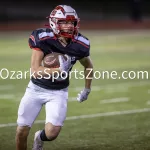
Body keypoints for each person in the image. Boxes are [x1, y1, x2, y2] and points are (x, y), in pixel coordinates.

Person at [15, 5, 93, 150]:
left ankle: (39, 137)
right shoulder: (43, 38)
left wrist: (87, 89)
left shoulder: (80, 44)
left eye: (72, 22)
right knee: (21, 131)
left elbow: (88, 65)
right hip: (36, 89)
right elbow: (35, 71)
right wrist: (58, 70)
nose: (69, 26)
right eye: (64, 22)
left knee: (52, 133)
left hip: (58, 92)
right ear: (54, 22)